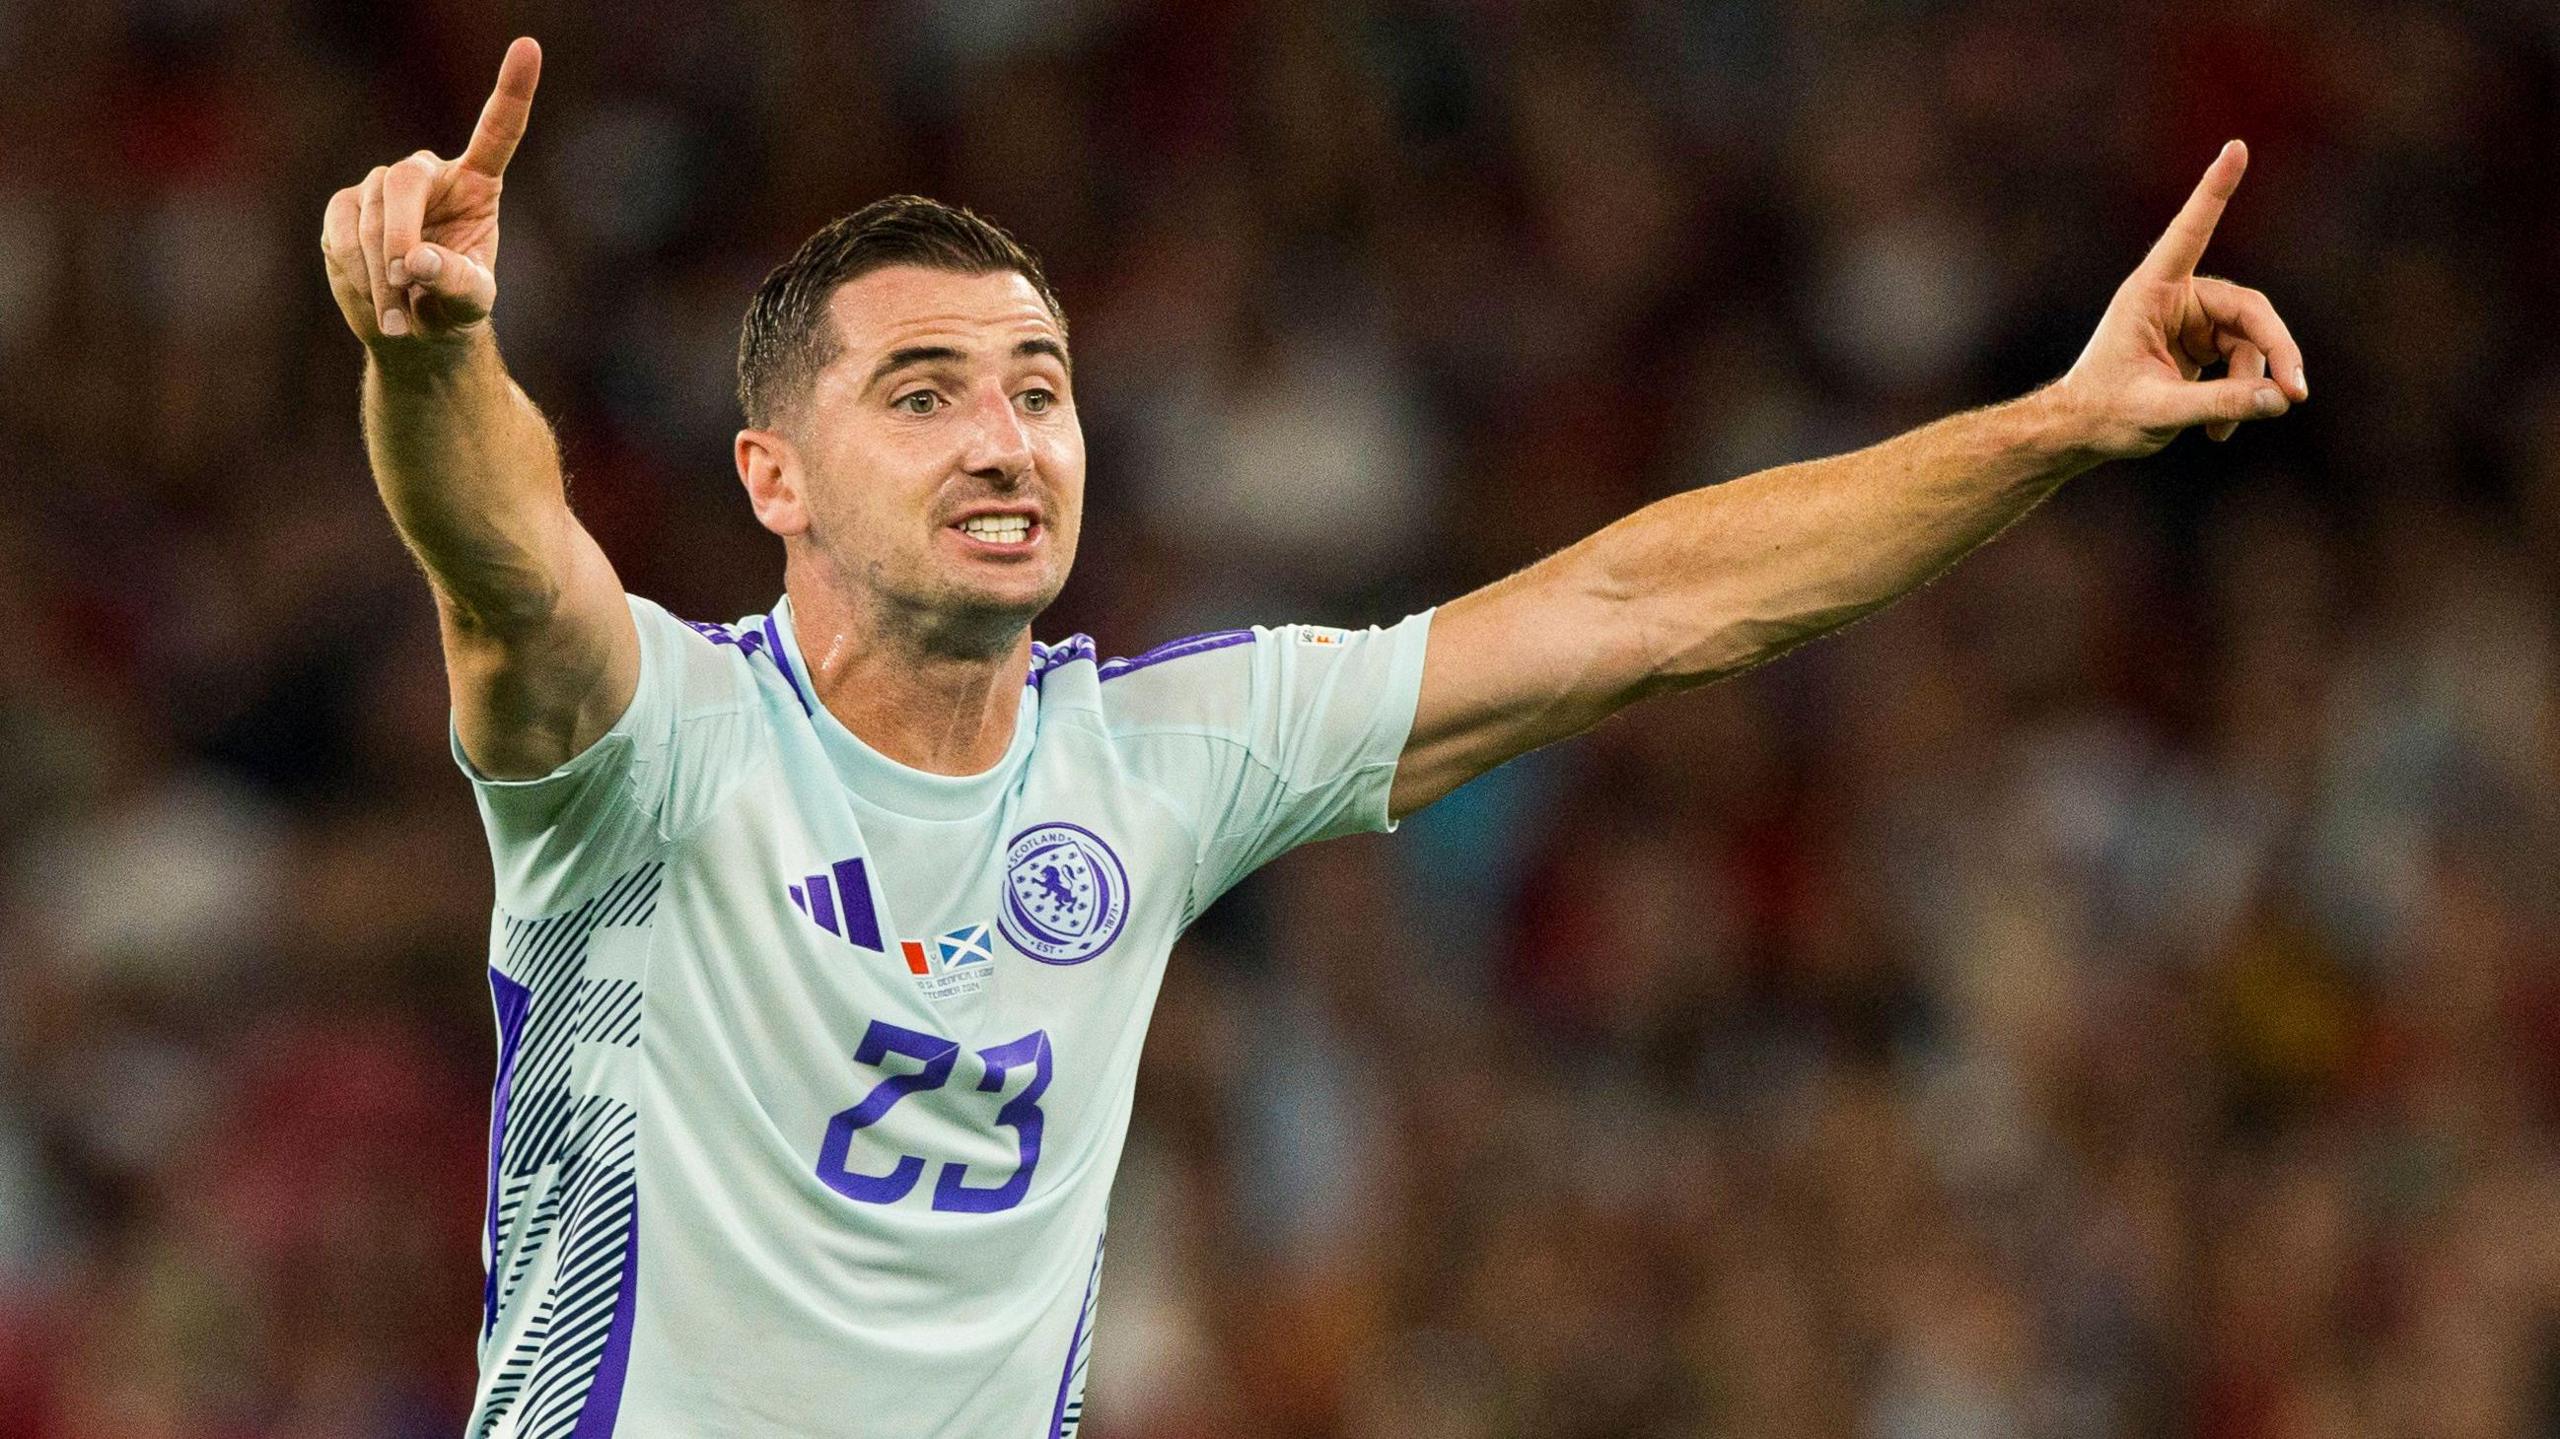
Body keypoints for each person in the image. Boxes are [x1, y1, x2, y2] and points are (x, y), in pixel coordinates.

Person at [318, 35, 2306, 1438]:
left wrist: (2039, 430)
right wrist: (431, 349)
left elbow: (1642, 609)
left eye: (1037, 384)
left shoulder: (1157, 761)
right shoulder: (654, 752)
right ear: (774, 474)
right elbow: (503, 548)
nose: (1005, 434)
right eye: (920, 393)